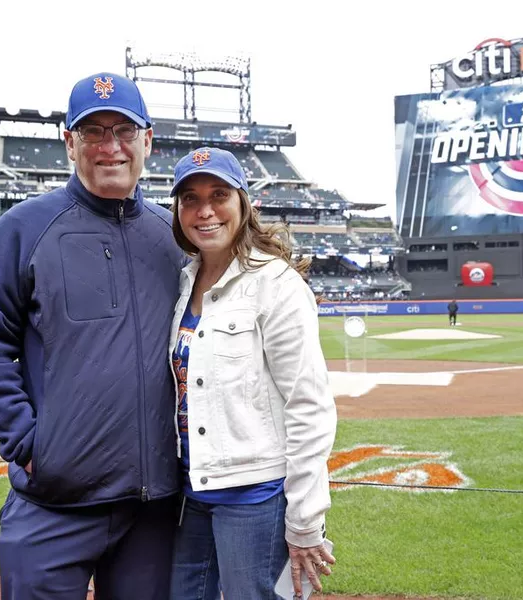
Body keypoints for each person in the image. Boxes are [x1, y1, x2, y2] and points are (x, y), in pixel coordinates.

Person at [0, 72, 186, 600]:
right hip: (53, 505)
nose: (111, 147)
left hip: (150, 511)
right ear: (70, 143)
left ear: (147, 140)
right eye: (93, 133)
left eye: (124, 131)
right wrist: (28, 442)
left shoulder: (172, 237)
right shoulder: (24, 228)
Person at [167, 147, 338, 599]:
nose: (204, 210)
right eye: (189, 199)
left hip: (254, 495)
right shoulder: (182, 282)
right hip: (190, 489)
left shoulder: (276, 284)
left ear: (244, 203)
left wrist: (304, 518)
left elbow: (309, 405)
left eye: (218, 194)